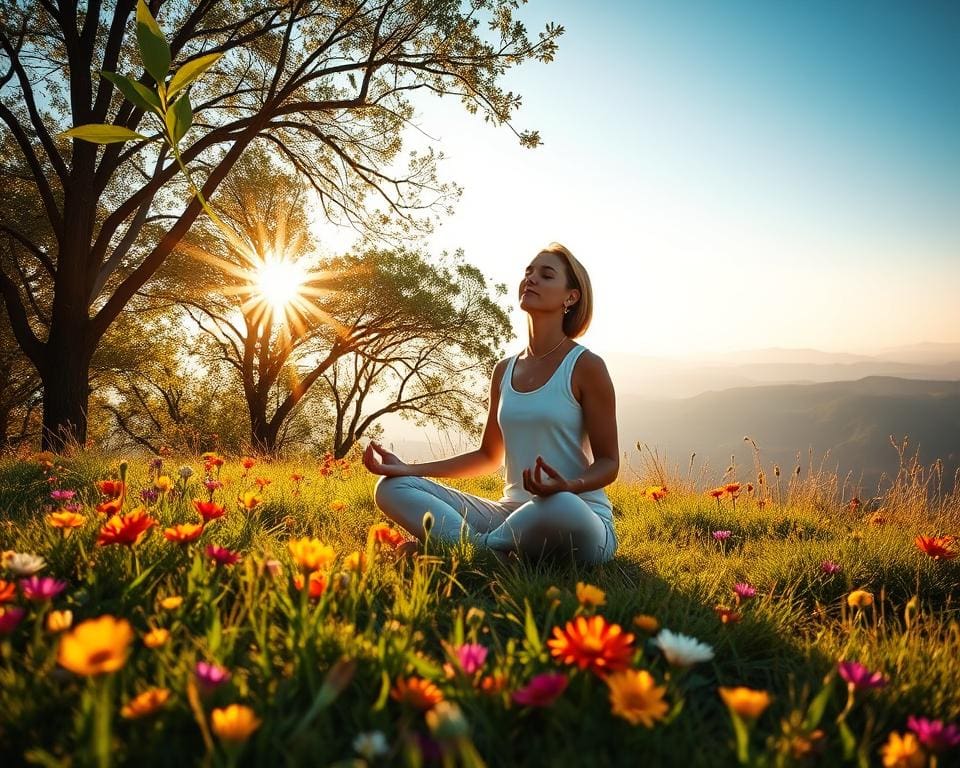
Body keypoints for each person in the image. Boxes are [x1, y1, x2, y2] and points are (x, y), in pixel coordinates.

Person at [364, 243, 619, 565]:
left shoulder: (585, 365)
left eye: (546, 274)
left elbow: (609, 462)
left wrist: (569, 485)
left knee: (561, 504)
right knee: (391, 487)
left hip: (578, 518)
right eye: (528, 272)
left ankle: (467, 550)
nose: (531, 279)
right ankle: (492, 554)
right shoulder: (505, 369)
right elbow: (488, 456)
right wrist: (408, 469)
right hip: (509, 515)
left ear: (571, 297)